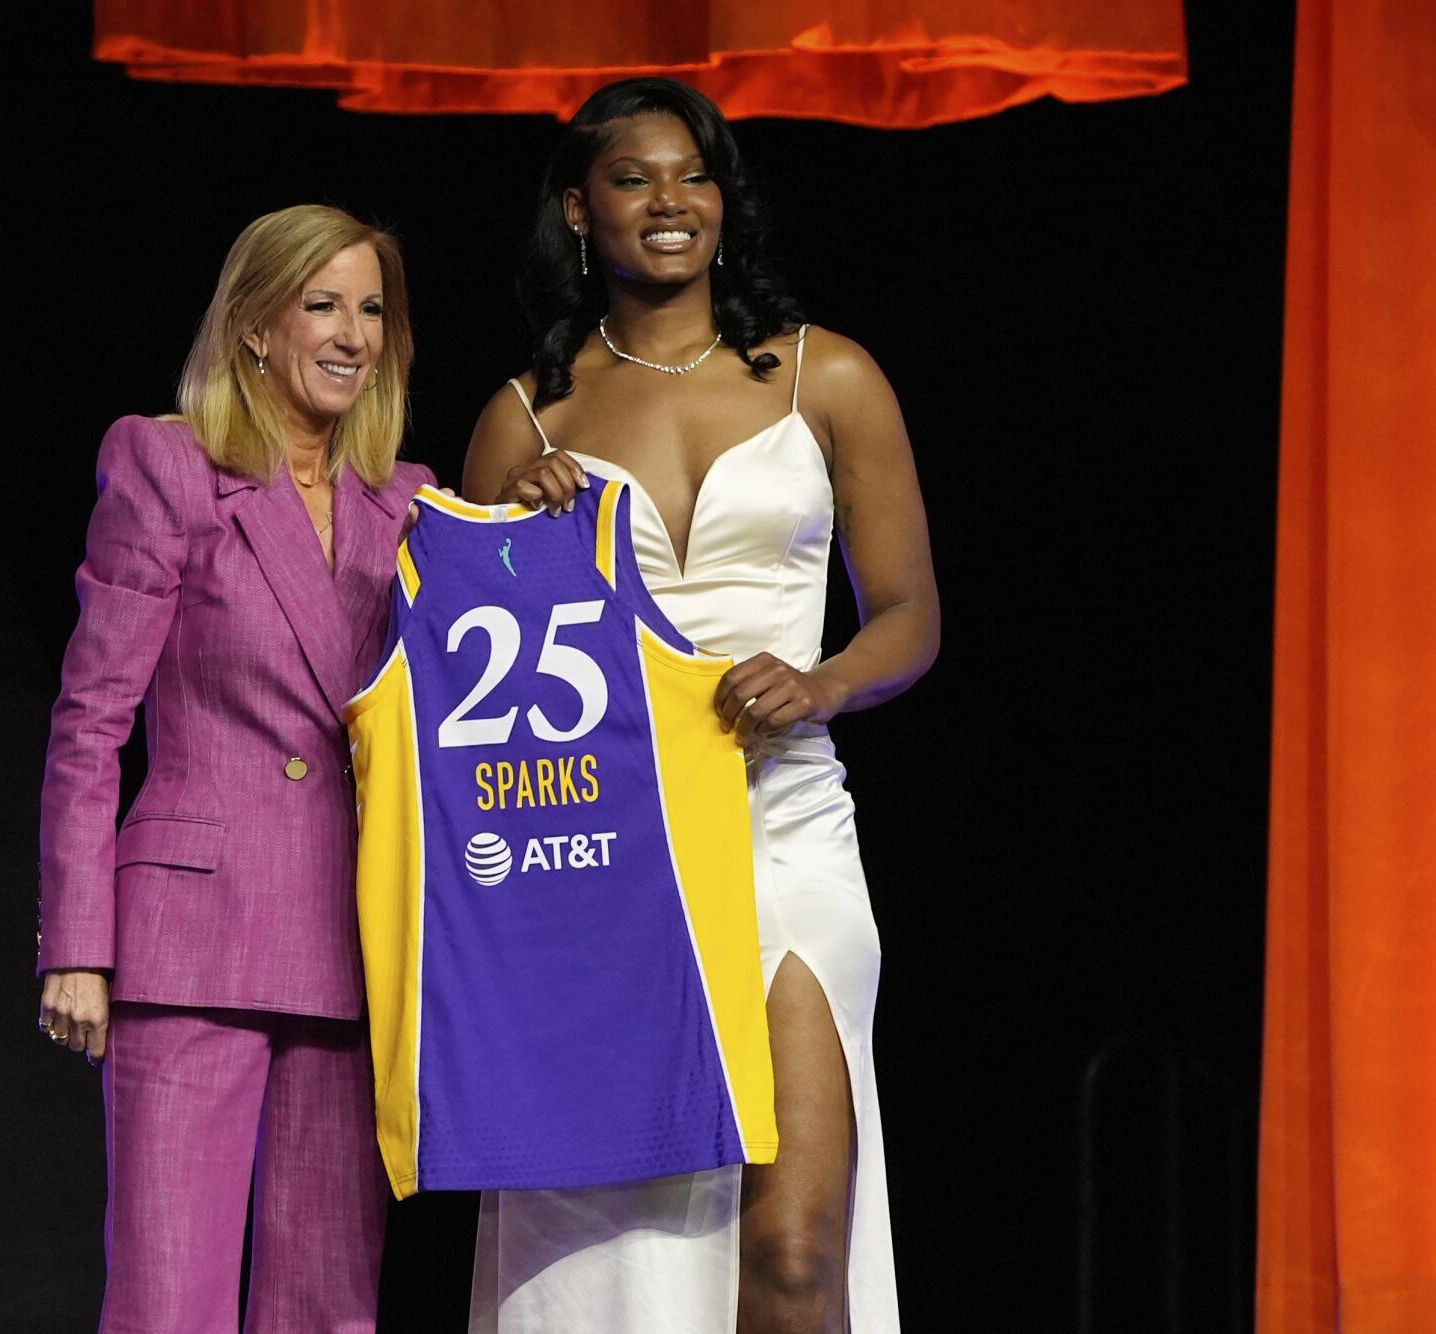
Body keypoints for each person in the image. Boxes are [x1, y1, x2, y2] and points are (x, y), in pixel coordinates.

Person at [461, 77, 939, 1334]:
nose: (669, 201)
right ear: (578, 208)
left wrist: (823, 680)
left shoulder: (822, 375)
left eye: (694, 174)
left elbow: (907, 612)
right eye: (632, 177)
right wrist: (522, 538)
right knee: (614, 1256)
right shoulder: (523, 419)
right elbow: (472, 684)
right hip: (602, 856)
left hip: (781, 824)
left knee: (791, 1252)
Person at [36, 203, 433, 1331]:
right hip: (188, 943)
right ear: (256, 326)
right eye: (322, 304)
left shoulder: (409, 505)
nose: (353, 332)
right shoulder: (169, 464)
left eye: (371, 308)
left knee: (327, 1306)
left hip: (353, 944)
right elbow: (89, 719)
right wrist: (79, 944)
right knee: (169, 1301)